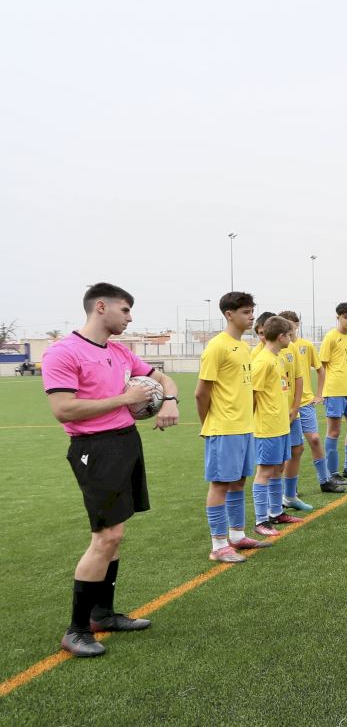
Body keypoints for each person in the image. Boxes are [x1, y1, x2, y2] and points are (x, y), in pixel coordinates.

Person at [43, 282, 180, 657]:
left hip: (125, 443)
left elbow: (163, 378)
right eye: (126, 310)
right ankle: (76, 630)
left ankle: (102, 615)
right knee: (105, 536)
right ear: (101, 307)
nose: (130, 318)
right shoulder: (63, 352)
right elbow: (63, 410)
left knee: (115, 534)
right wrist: (125, 398)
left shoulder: (120, 352)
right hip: (94, 449)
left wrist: (169, 399)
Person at [196, 291, 268, 565]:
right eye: (246, 312)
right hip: (223, 428)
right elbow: (201, 393)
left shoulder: (244, 347)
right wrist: (209, 423)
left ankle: (237, 536)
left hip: (245, 426)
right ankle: (218, 545)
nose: (251, 317)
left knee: (239, 482)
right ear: (229, 314)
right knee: (220, 484)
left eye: (251, 311)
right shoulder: (217, 347)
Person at [249, 316, 298, 538]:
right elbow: (252, 395)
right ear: (281, 337)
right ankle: (261, 520)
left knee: (278, 468)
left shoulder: (277, 358)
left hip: (282, 425)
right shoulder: (262, 361)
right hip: (267, 427)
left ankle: (276, 512)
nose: (292, 338)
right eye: (289, 334)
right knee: (265, 472)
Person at [277, 311, 333, 505]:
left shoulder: (306, 346)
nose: (290, 328)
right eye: (286, 324)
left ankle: (325, 480)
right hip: (286, 404)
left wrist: (319, 394)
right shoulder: (278, 349)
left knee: (314, 440)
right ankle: (290, 489)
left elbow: (320, 370)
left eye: (293, 324)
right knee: (291, 449)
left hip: (305, 402)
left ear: (297, 326)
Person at [319, 303, 347, 477]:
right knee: (334, 432)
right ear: (338, 317)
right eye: (346, 317)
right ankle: (331, 473)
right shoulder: (330, 337)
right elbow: (322, 366)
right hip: (335, 391)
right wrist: (322, 392)